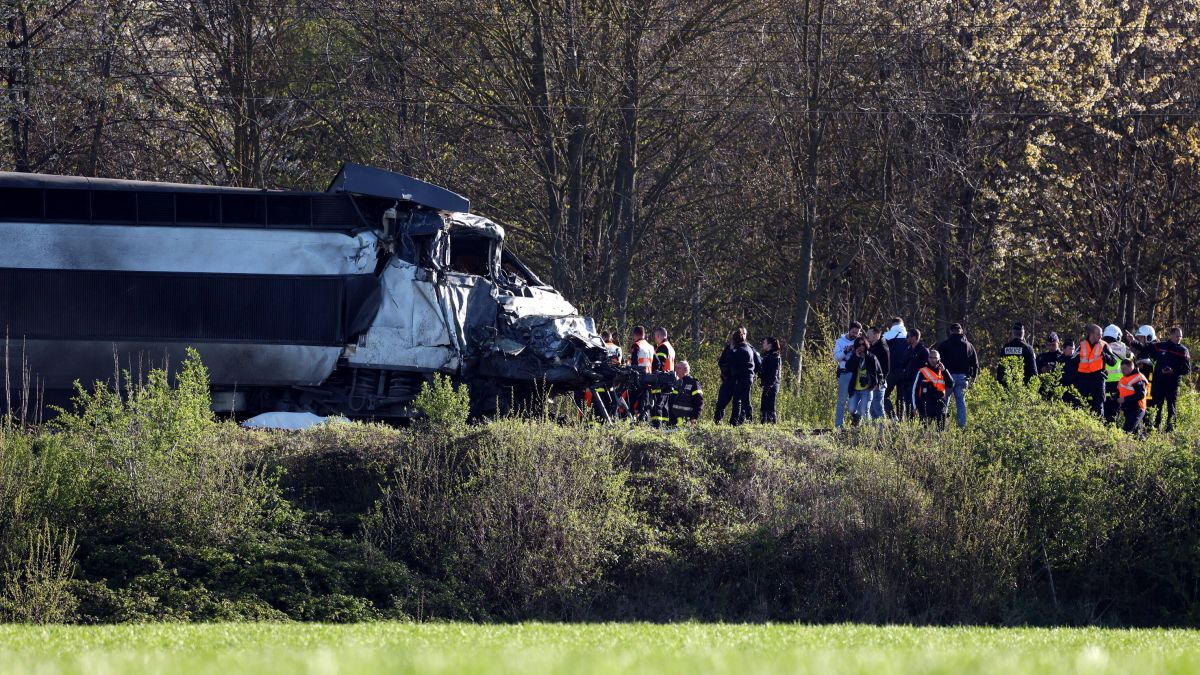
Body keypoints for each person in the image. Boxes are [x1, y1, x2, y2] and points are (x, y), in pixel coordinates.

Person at [936, 323, 979, 428]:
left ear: (950, 331)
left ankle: (942, 425)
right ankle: (962, 426)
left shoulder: (944, 345)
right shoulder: (968, 345)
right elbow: (975, 364)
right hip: (962, 378)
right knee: (961, 402)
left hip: (947, 377)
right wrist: (973, 377)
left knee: (944, 401)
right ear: (961, 331)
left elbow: (937, 361)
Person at [1149, 327, 1191, 432]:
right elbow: (1146, 348)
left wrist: (1173, 370)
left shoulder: (1183, 350)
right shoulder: (1160, 346)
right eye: (1177, 336)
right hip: (1158, 382)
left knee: (1171, 406)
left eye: (1180, 336)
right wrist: (1133, 342)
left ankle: (1170, 429)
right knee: (1157, 406)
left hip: (1172, 384)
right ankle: (1155, 428)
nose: (1179, 338)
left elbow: (1186, 369)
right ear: (1171, 335)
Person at [1074, 324, 1117, 418]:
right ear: (1091, 334)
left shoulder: (1104, 345)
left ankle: (1098, 428)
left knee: (1098, 405)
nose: (1100, 337)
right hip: (1083, 379)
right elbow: (1073, 361)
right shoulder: (1082, 345)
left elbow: (1113, 361)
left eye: (1101, 334)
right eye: (1098, 334)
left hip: (1098, 378)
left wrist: (1105, 355)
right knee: (1079, 402)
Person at [843, 336, 883, 426]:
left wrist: (878, 384)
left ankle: (867, 431)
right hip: (855, 389)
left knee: (864, 411)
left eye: (863, 344)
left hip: (867, 389)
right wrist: (856, 357)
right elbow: (848, 367)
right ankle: (857, 418)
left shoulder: (871, 357)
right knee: (851, 409)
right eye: (859, 345)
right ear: (856, 346)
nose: (861, 347)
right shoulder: (854, 356)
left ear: (866, 345)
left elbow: (879, 372)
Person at [912, 349, 954, 431]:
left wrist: (945, 371)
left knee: (941, 432)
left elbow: (951, 384)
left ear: (939, 359)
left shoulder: (943, 371)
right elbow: (914, 390)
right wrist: (915, 406)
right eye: (930, 357)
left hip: (939, 405)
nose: (932, 360)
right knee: (924, 431)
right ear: (928, 358)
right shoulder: (922, 371)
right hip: (925, 405)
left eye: (935, 358)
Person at [833, 321, 863, 429]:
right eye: (853, 332)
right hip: (845, 372)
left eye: (857, 333)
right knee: (842, 399)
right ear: (849, 329)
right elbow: (837, 358)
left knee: (858, 398)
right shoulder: (840, 341)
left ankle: (856, 422)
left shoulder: (860, 341)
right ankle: (839, 425)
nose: (855, 335)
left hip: (857, 373)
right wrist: (846, 351)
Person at [727, 328, 759, 425]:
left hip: (743, 378)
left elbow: (731, 359)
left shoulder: (741, 349)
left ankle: (748, 420)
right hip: (745, 377)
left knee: (744, 400)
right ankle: (735, 421)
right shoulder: (747, 347)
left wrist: (731, 349)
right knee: (738, 399)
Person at [1102, 324, 1130, 423]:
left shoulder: (1100, 345)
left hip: (1103, 382)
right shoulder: (1123, 347)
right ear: (1118, 336)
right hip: (1118, 384)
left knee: (1103, 412)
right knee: (1115, 413)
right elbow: (1131, 358)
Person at [883, 318, 911, 420]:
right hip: (905, 372)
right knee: (901, 398)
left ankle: (893, 417)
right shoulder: (910, 336)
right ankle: (901, 421)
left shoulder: (886, 336)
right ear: (902, 324)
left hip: (890, 372)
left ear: (892, 324)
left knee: (883, 396)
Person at [648, 327, 677, 427]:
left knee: (657, 406)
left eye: (655, 337)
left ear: (659, 336)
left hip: (661, 381)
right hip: (669, 381)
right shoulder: (670, 347)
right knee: (664, 407)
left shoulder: (662, 347)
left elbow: (659, 364)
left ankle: (657, 427)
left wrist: (652, 375)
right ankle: (664, 426)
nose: (655, 339)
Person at [713, 329, 742, 424]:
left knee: (737, 403)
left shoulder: (746, 348)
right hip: (728, 379)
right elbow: (721, 362)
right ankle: (717, 421)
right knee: (721, 402)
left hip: (740, 380)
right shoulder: (728, 348)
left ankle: (734, 423)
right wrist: (724, 373)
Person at [901, 328, 929, 421]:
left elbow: (927, 367)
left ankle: (922, 424)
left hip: (918, 383)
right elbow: (904, 363)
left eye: (908, 336)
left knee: (918, 404)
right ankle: (910, 424)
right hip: (907, 382)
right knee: (908, 405)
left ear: (915, 337)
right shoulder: (908, 349)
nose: (906, 338)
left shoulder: (923, 351)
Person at [628, 326, 655, 421]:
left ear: (635, 335)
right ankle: (644, 421)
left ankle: (630, 420)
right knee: (644, 402)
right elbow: (657, 363)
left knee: (632, 400)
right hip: (648, 378)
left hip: (637, 378)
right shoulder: (651, 347)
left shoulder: (636, 345)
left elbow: (634, 362)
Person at [1116, 359, 1149, 435]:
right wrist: (1114, 396)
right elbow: (1121, 392)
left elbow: (1141, 394)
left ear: (1131, 367)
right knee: (1136, 434)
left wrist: (1124, 399)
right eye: (1121, 369)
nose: (1122, 371)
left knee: (1127, 432)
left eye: (1124, 369)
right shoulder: (1124, 378)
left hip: (1137, 408)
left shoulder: (1138, 378)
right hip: (1128, 409)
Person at [668, 360, 704, 425]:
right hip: (674, 422)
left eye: (679, 368)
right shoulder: (677, 383)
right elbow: (671, 401)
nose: (676, 370)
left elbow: (699, 401)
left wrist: (694, 418)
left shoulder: (694, 383)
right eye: (676, 368)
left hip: (687, 422)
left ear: (685, 370)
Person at [866, 327, 890, 421]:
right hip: (872, 382)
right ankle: (876, 431)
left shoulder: (883, 348)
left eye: (869, 334)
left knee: (878, 407)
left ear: (876, 335)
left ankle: (882, 431)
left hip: (879, 383)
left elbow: (886, 369)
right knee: (872, 409)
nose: (867, 336)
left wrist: (879, 382)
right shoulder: (871, 347)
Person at [759, 337, 782, 423]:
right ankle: (763, 424)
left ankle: (772, 424)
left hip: (772, 384)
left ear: (769, 345)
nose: (762, 344)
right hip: (767, 384)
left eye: (764, 342)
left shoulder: (775, 356)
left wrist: (769, 386)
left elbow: (774, 374)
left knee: (770, 406)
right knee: (764, 405)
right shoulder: (767, 355)